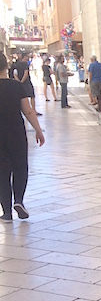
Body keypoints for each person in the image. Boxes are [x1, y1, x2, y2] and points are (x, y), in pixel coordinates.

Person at [0, 52, 45, 223]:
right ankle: (18, 200)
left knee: (2, 172)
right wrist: (39, 131)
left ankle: (6, 213)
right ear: (7, 67)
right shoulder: (16, 86)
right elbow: (28, 110)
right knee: (20, 167)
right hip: (16, 132)